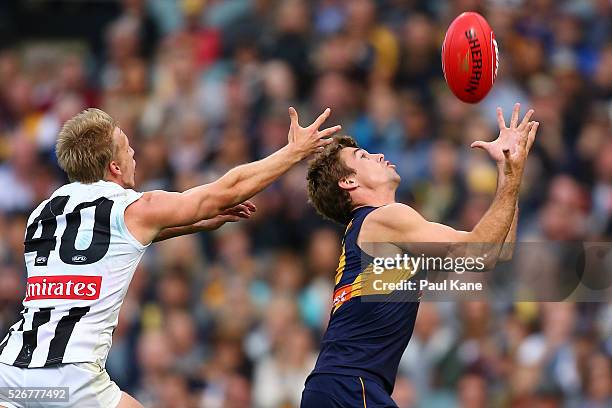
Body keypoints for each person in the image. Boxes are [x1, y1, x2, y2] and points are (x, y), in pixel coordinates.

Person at [0, 107, 340, 408]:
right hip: (71, 378)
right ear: (115, 166)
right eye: (127, 146)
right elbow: (225, 190)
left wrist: (191, 223)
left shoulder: (42, 215)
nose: (134, 152)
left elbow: (108, 244)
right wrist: (293, 152)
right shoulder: (133, 207)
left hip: (13, 372)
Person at [301, 104, 539, 407]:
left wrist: (509, 171)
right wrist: (511, 171)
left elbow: (497, 253)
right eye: (362, 157)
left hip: (342, 387)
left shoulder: (378, 228)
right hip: (349, 386)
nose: (376, 154)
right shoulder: (382, 219)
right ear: (349, 182)